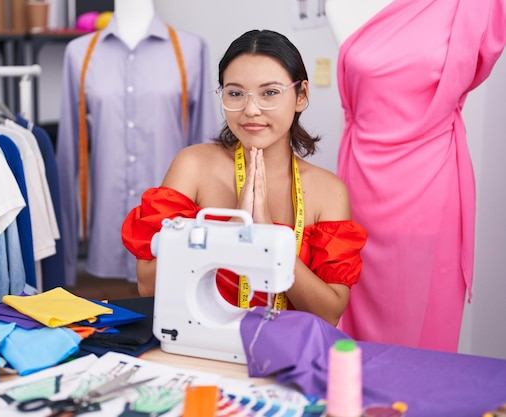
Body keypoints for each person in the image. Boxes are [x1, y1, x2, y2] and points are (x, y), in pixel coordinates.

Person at [122, 29, 368, 326]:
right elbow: (147, 285)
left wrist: (267, 238)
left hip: (284, 358)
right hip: (199, 346)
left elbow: (328, 314)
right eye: (236, 93)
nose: (250, 110)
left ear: (301, 95)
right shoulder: (193, 166)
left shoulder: (329, 192)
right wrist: (228, 236)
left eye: (270, 93)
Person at [326, 0, 506, 350]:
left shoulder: (473, 6)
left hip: (431, 184)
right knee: (353, 311)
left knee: (424, 321)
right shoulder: (343, 4)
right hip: (361, 183)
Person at [56, 0, 217, 287]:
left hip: (172, 234)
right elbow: (68, 157)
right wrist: (64, 269)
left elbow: (205, 146)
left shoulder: (192, 49)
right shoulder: (79, 53)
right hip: (103, 247)